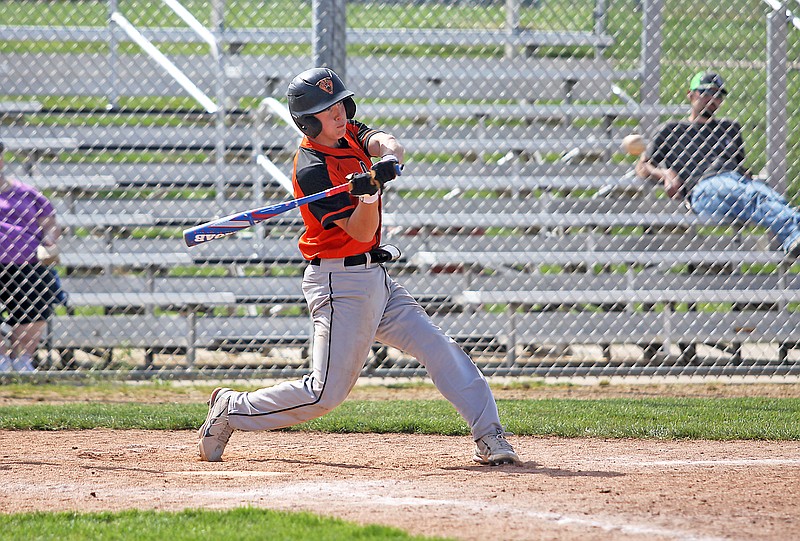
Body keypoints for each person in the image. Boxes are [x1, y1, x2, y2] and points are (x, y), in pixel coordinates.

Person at [198, 67, 521, 466]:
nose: (338, 114)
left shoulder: (348, 132)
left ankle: (489, 434)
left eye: (339, 105)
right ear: (307, 120)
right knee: (324, 394)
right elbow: (358, 231)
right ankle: (233, 408)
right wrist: (368, 196)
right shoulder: (312, 170)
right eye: (326, 110)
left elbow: (390, 144)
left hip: (375, 279)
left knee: (440, 349)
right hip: (339, 283)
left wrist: (385, 161)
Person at [636, 70, 800, 256]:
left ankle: (794, 233)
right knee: (753, 196)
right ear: (690, 95)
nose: (712, 99)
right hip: (703, 189)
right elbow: (643, 166)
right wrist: (665, 174)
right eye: (706, 93)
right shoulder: (672, 130)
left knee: (770, 197)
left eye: (718, 95)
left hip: (737, 183)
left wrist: (746, 175)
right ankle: (792, 233)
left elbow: (739, 167)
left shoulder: (730, 128)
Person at [0, 140, 61, 372]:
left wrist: (49, 239)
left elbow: (50, 224)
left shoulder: (26, 193)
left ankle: (22, 359)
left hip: (26, 263)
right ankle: (1, 359)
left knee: (36, 301)